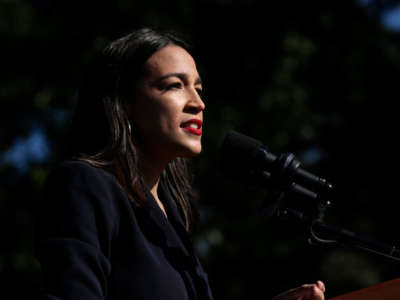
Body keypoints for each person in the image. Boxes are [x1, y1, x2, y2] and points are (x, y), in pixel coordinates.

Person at [34, 27, 325, 300]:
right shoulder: (85, 184)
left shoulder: (171, 215)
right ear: (123, 104)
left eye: (198, 88)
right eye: (174, 85)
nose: (197, 103)